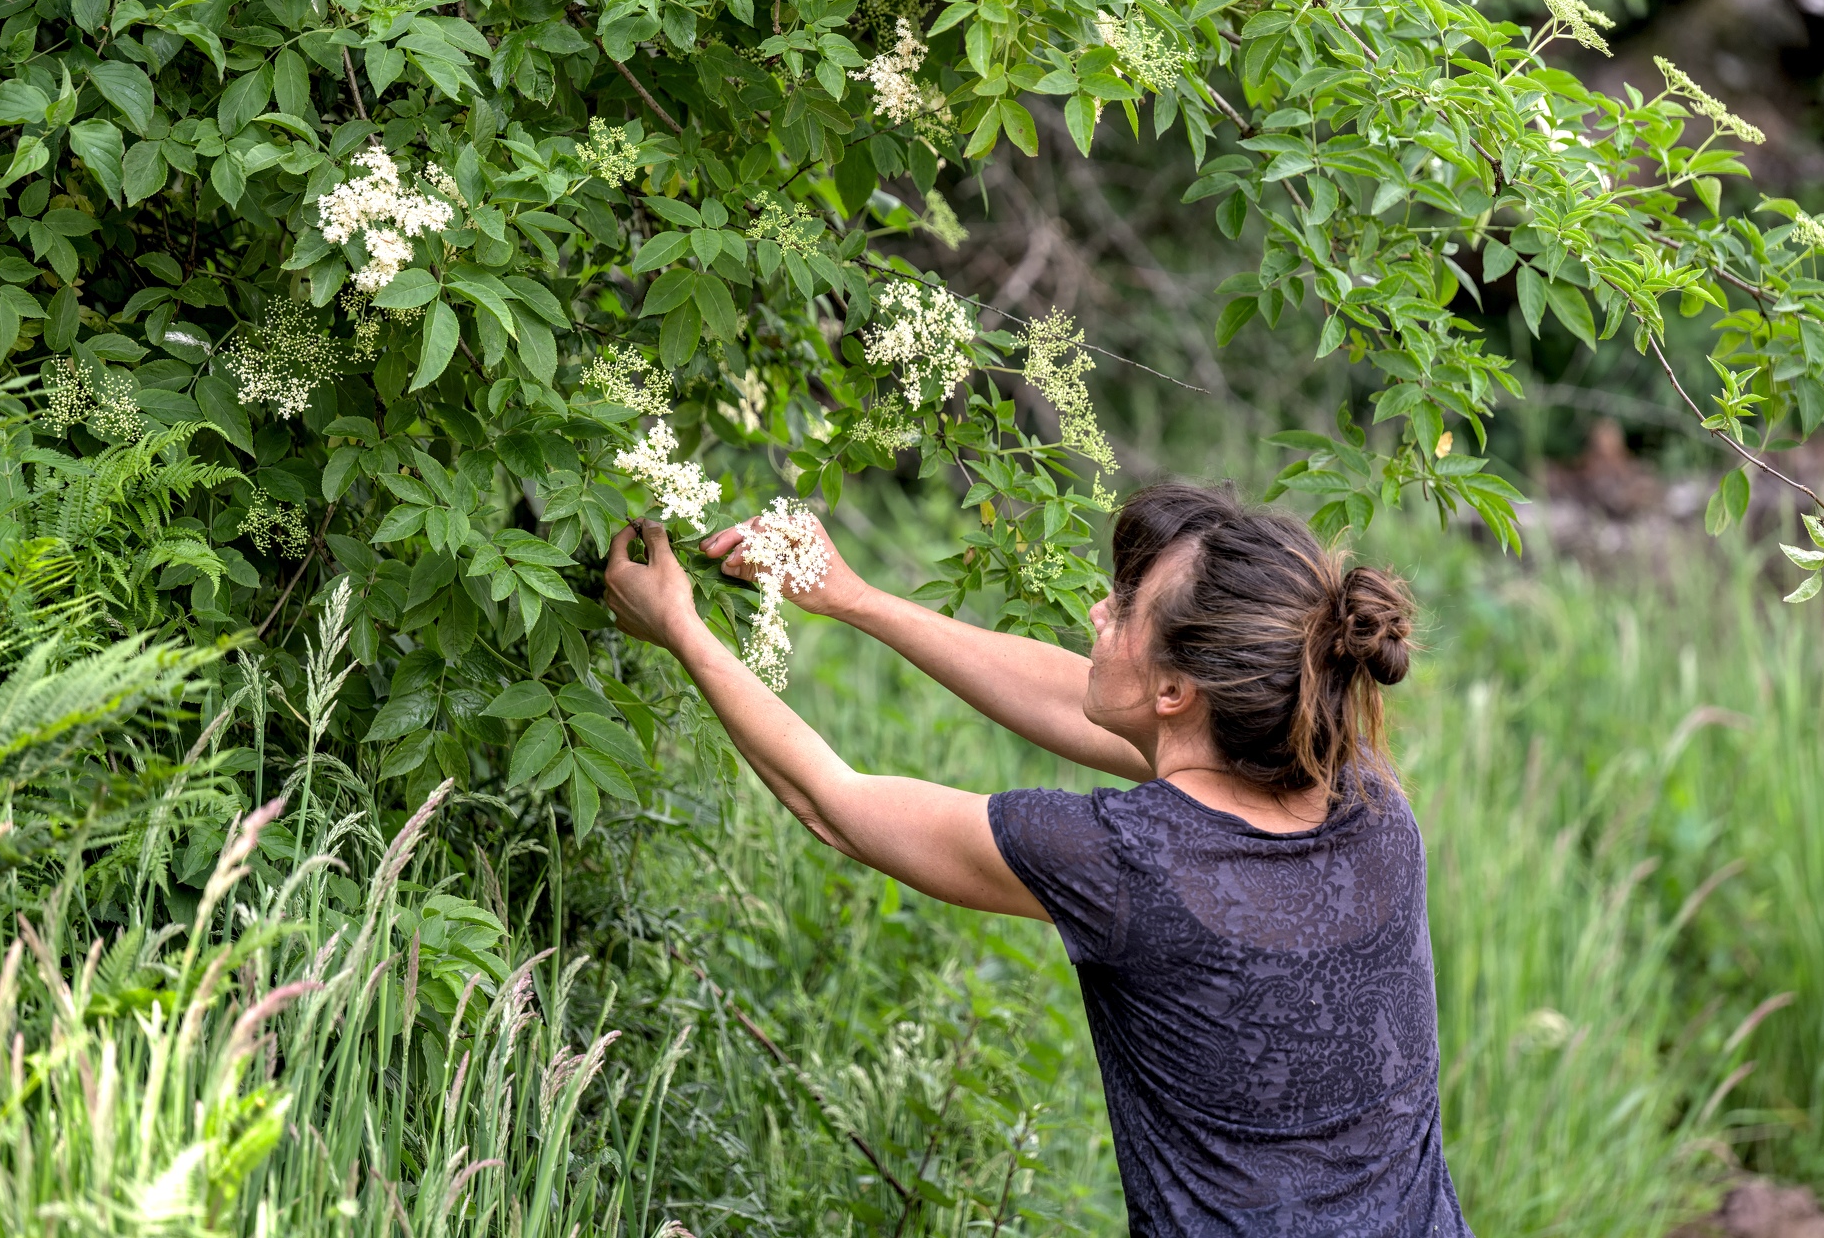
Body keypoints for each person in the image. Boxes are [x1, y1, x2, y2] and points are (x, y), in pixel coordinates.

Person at [602, 481, 1471, 1238]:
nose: (1100, 611)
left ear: (1176, 692)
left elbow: (834, 803)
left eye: (1124, 610)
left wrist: (682, 628)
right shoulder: (1364, 798)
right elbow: (1084, 699)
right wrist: (852, 598)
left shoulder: (1130, 866)